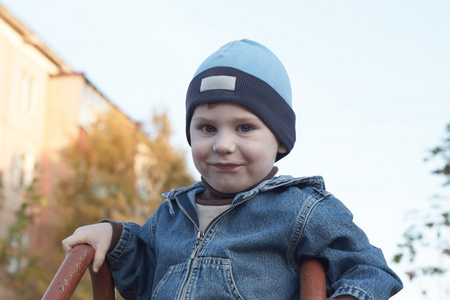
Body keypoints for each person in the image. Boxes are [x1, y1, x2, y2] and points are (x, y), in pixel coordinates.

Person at [62, 39, 403, 299]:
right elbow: (143, 276)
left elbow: (370, 269)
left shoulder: (300, 209)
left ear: (280, 141)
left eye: (244, 128)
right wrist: (115, 236)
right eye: (207, 128)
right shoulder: (171, 215)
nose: (223, 144)